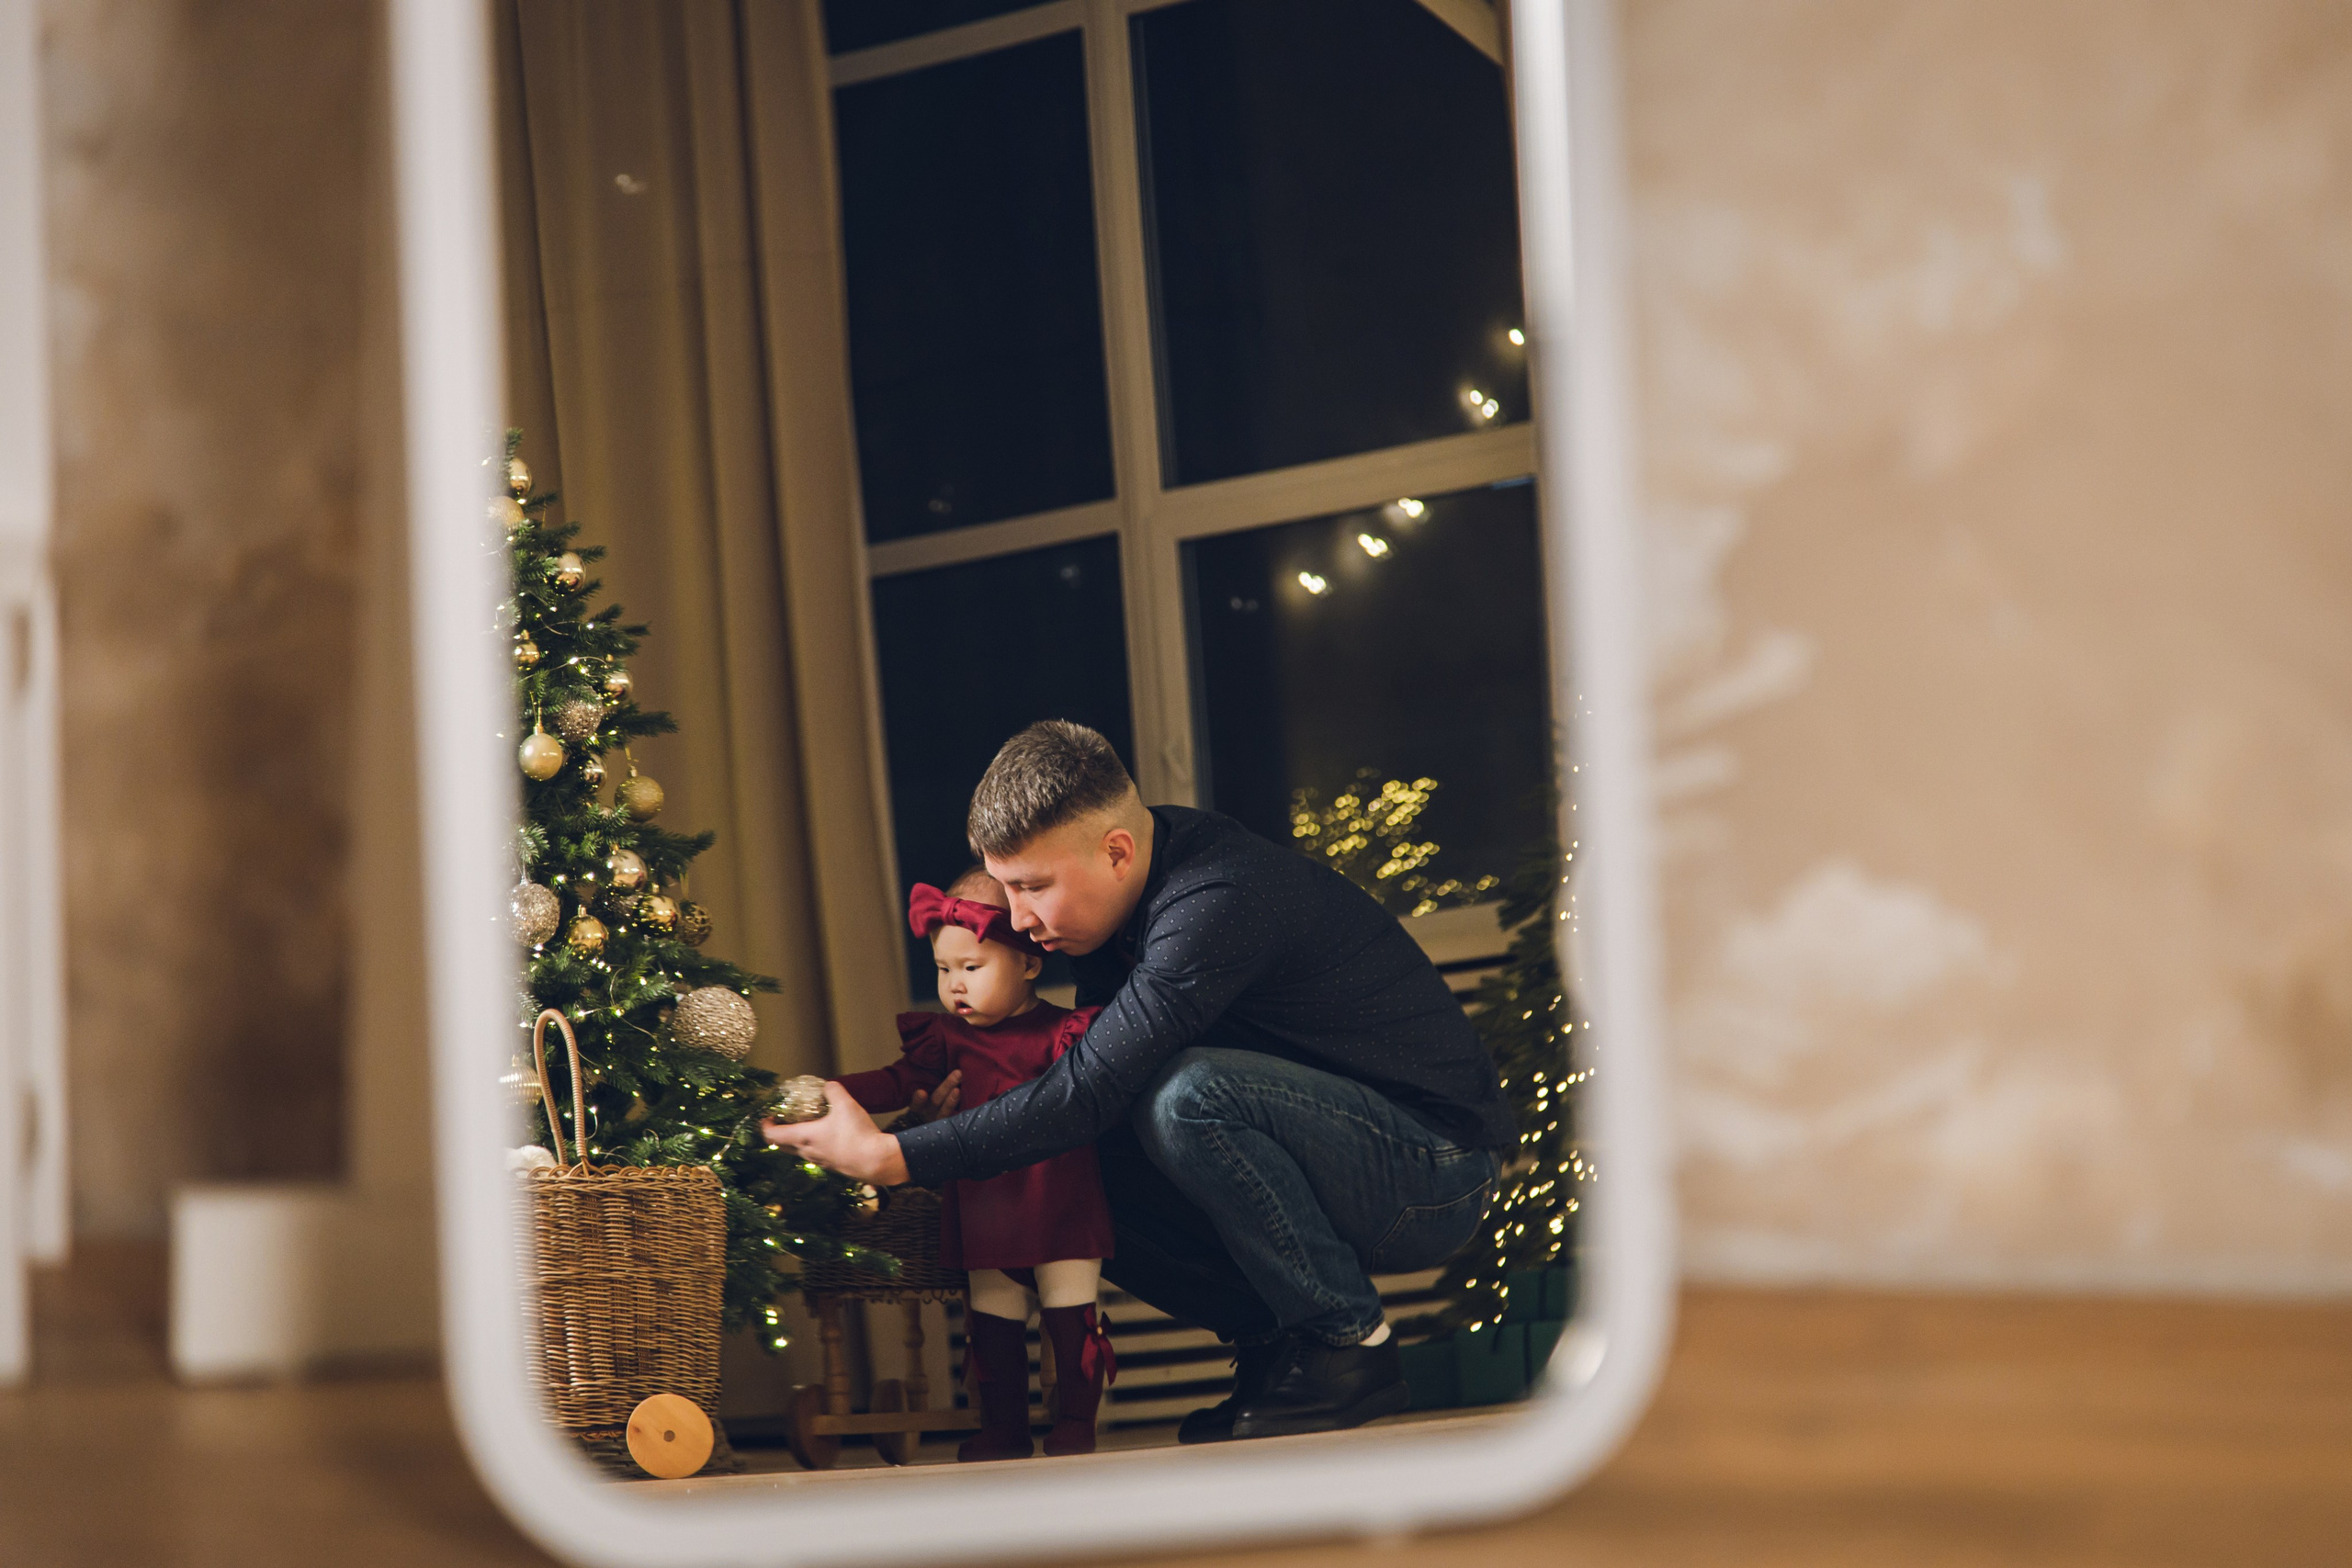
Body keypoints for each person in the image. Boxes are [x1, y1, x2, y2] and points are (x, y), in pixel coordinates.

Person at [768, 721, 1514, 1442]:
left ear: (1117, 851)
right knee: (1071, 1153)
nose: (1017, 920)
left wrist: (891, 1159)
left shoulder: (1216, 898)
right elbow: (1074, 1093)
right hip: (1334, 1149)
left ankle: (1347, 1341)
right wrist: (928, 1121)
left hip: (1433, 1173)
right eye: (1005, 889)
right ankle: (1272, 1341)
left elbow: (1087, 1087)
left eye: (1032, 886)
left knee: (1187, 1096)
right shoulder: (1112, 915)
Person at [830, 870, 1115, 1461]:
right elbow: (899, 1081)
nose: (954, 986)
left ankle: (1075, 1424)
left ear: (1030, 965)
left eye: (972, 969)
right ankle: (1004, 1429)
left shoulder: (1063, 1034)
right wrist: (831, 1090)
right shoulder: (949, 1040)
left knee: (1070, 1320)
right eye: (943, 970)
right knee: (992, 1326)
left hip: (1060, 1200)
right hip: (986, 1205)